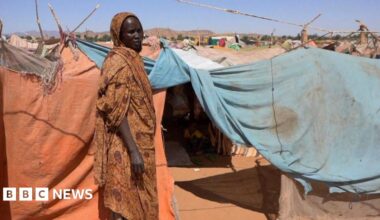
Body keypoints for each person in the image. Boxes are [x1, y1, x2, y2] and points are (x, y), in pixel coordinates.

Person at [94, 12, 158, 220]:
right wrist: (133, 151)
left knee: (138, 202)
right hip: (125, 147)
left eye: (139, 30)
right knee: (122, 207)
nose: (138, 36)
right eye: (131, 32)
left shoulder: (135, 60)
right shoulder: (119, 63)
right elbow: (116, 110)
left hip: (142, 146)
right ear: (119, 36)